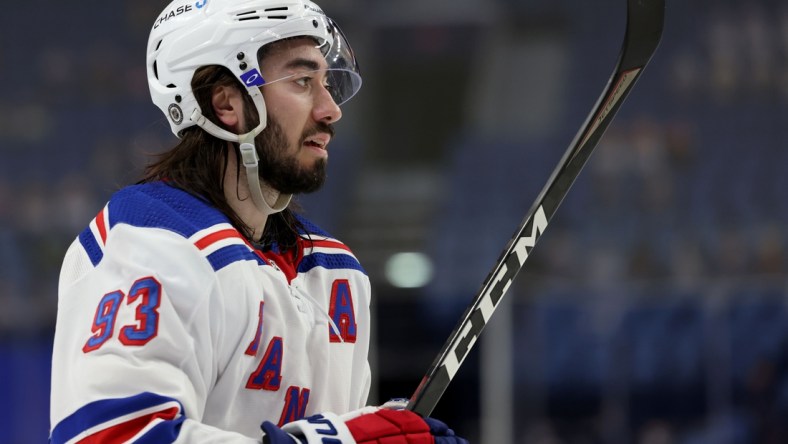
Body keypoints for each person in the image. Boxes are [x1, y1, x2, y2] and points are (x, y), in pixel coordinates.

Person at [49, 0, 468, 443]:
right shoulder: (149, 240)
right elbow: (108, 435)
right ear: (227, 104)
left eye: (326, 83)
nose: (330, 109)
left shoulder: (336, 273)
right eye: (303, 81)